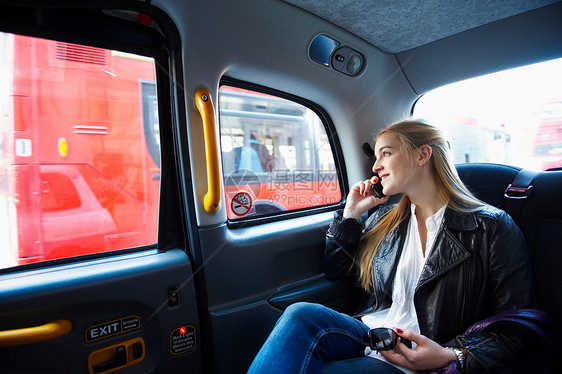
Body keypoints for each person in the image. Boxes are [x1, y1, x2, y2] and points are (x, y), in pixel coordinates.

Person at [248, 120, 543, 373]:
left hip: (426, 351)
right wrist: (351, 215)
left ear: (422, 155)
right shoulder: (385, 218)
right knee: (301, 314)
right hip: (373, 333)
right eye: (376, 157)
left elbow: (520, 328)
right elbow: (338, 271)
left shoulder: (490, 227)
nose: (375, 166)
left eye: (385, 153)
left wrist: (455, 356)